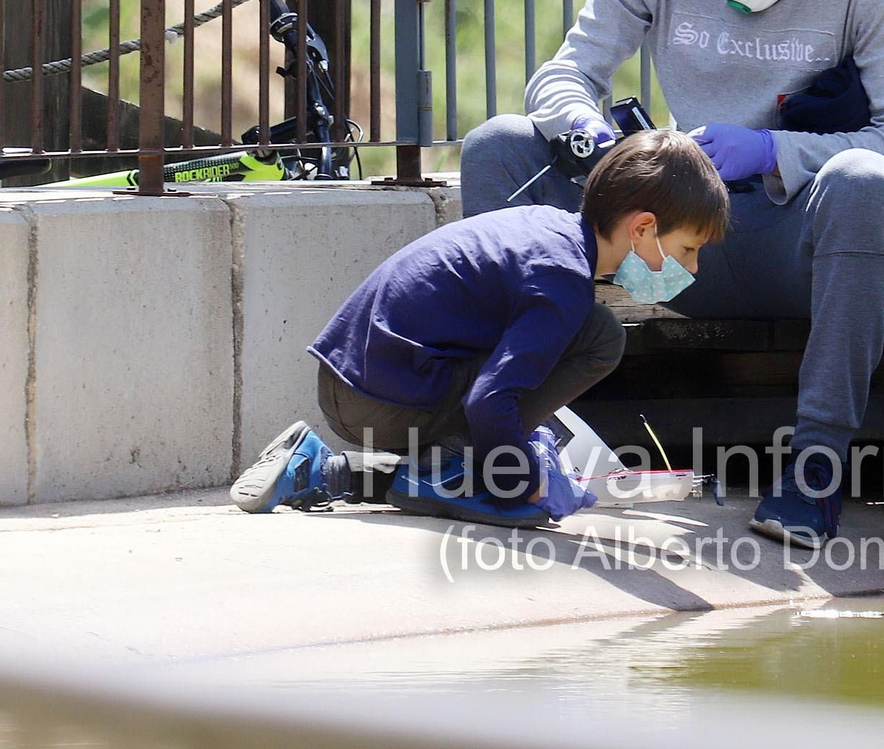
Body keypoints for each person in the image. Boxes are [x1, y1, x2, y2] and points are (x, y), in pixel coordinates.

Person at [459, 0, 884, 547]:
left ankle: (814, 471)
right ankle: (511, 432)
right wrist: (595, 144)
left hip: (796, 260)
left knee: (865, 183)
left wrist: (774, 151)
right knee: (500, 146)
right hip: (671, 262)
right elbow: (562, 76)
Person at [229, 129, 731, 528]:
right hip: (385, 399)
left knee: (592, 330)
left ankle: (320, 468)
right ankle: (467, 472)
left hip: (361, 385)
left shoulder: (548, 230)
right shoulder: (562, 282)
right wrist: (521, 481)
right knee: (601, 339)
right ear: (642, 228)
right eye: (688, 248)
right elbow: (491, 399)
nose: (692, 268)